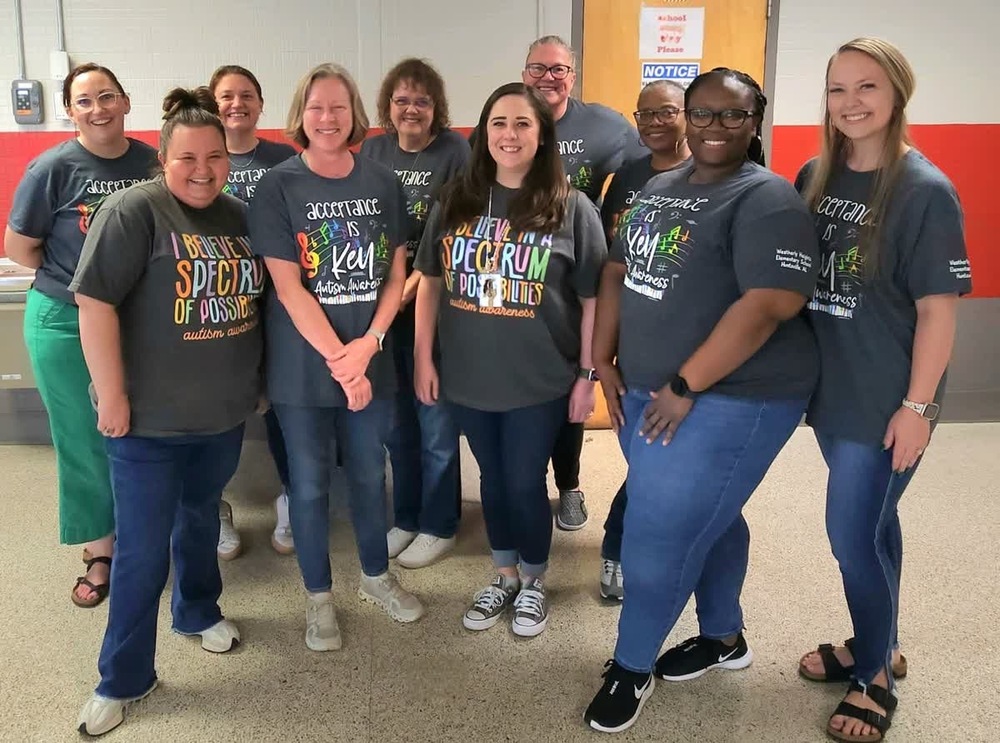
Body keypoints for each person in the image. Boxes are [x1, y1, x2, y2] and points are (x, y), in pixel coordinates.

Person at [583, 68, 821, 734]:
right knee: (711, 515)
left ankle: (631, 665)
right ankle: (724, 637)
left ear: (755, 122)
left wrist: (687, 385)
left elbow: (770, 302)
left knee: (659, 534)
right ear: (685, 117)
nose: (715, 127)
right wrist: (603, 356)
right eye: (703, 114)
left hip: (734, 395)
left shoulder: (766, 198)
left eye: (732, 116)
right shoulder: (660, 186)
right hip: (651, 388)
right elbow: (621, 269)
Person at [794, 38, 971, 743]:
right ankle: (883, 637)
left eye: (867, 87)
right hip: (832, 393)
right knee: (874, 525)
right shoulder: (817, 173)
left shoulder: (924, 189)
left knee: (850, 534)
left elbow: (938, 309)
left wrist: (919, 406)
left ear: (897, 93)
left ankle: (872, 674)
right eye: (838, 89)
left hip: (889, 401)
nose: (851, 103)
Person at [72, 87, 263, 737]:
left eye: (216, 157)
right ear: (163, 157)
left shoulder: (238, 216)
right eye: (188, 158)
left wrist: (255, 382)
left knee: (201, 517)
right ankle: (122, 677)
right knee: (141, 551)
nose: (204, 169)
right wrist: (114, 393)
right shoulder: (134, 212)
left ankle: (198, 610)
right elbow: (94, 303)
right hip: (147, 424)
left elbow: (256, 304)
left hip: (222, 414)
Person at [413, 82, 606, 637]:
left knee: (524, 483)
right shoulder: (457, 200)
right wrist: (425, 358)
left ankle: (535, 580)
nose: (510, 134)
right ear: (484, 132)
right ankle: (503, 575)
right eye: (499, 122)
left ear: (543, 134)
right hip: (469, 377)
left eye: (523, 123)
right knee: (493, 483)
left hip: (540, 378)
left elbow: (593, 298)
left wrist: (587, 375)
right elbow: (429, 283)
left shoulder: (572, 208)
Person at [249, 63, 423, 653]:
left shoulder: (381, 182)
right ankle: (318, 597)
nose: (328, 118)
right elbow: (288, 286)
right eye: (318, 107)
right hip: (304, 369)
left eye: (339, 108)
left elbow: (396, 270)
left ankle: (377, 577)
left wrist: (369, 345)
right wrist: (340, 360)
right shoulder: (278, 186)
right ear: (301, 113)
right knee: (309, 482)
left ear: (356, 116)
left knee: (372, 476)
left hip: (370, 356)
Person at [3, 62, 157, 608]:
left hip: (136, 320)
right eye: (85, 100)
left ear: (126, 101)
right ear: (70, 110)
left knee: (138, 429)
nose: (98, 108)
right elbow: (20, 247)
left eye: (107, 96)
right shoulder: (51, 168)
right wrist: (80, 279)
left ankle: (144, 536)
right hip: (63, 322)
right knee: (83, 437)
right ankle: (101, 549)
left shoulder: (151, 163)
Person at [359, 58, 470, 569]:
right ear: (388, 107)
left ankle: (439, 523)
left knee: (435, 423)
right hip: (383, 309)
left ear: (436, 108)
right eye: (401, 101)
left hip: (435, 304)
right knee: (396, 424)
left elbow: (448, 233)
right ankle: (404, 517)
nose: (411, 109)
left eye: (421, 101)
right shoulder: (374, 150)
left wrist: (407, 288)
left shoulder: (456, 152)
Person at [597, 78, 691, 602]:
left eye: (667, 113)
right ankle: (620, 547)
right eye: (645, 115)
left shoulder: (708, 175)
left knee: (663, 463)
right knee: (646, 459)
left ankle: (625, 546)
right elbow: (614, 265)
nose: (655, 123)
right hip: (634, 342)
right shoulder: (629, 175)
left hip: (690, 348)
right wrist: (602, 355)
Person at [209, 64, 298, 560]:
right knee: (219, 406)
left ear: (262, 105)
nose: (236, 103)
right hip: (216, 305)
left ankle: (290, 499)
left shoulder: (284, 159)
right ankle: (215, 506)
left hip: (277, 302)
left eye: (246, 95)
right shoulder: (199, 157)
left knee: (283, 404)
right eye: (226, 95)